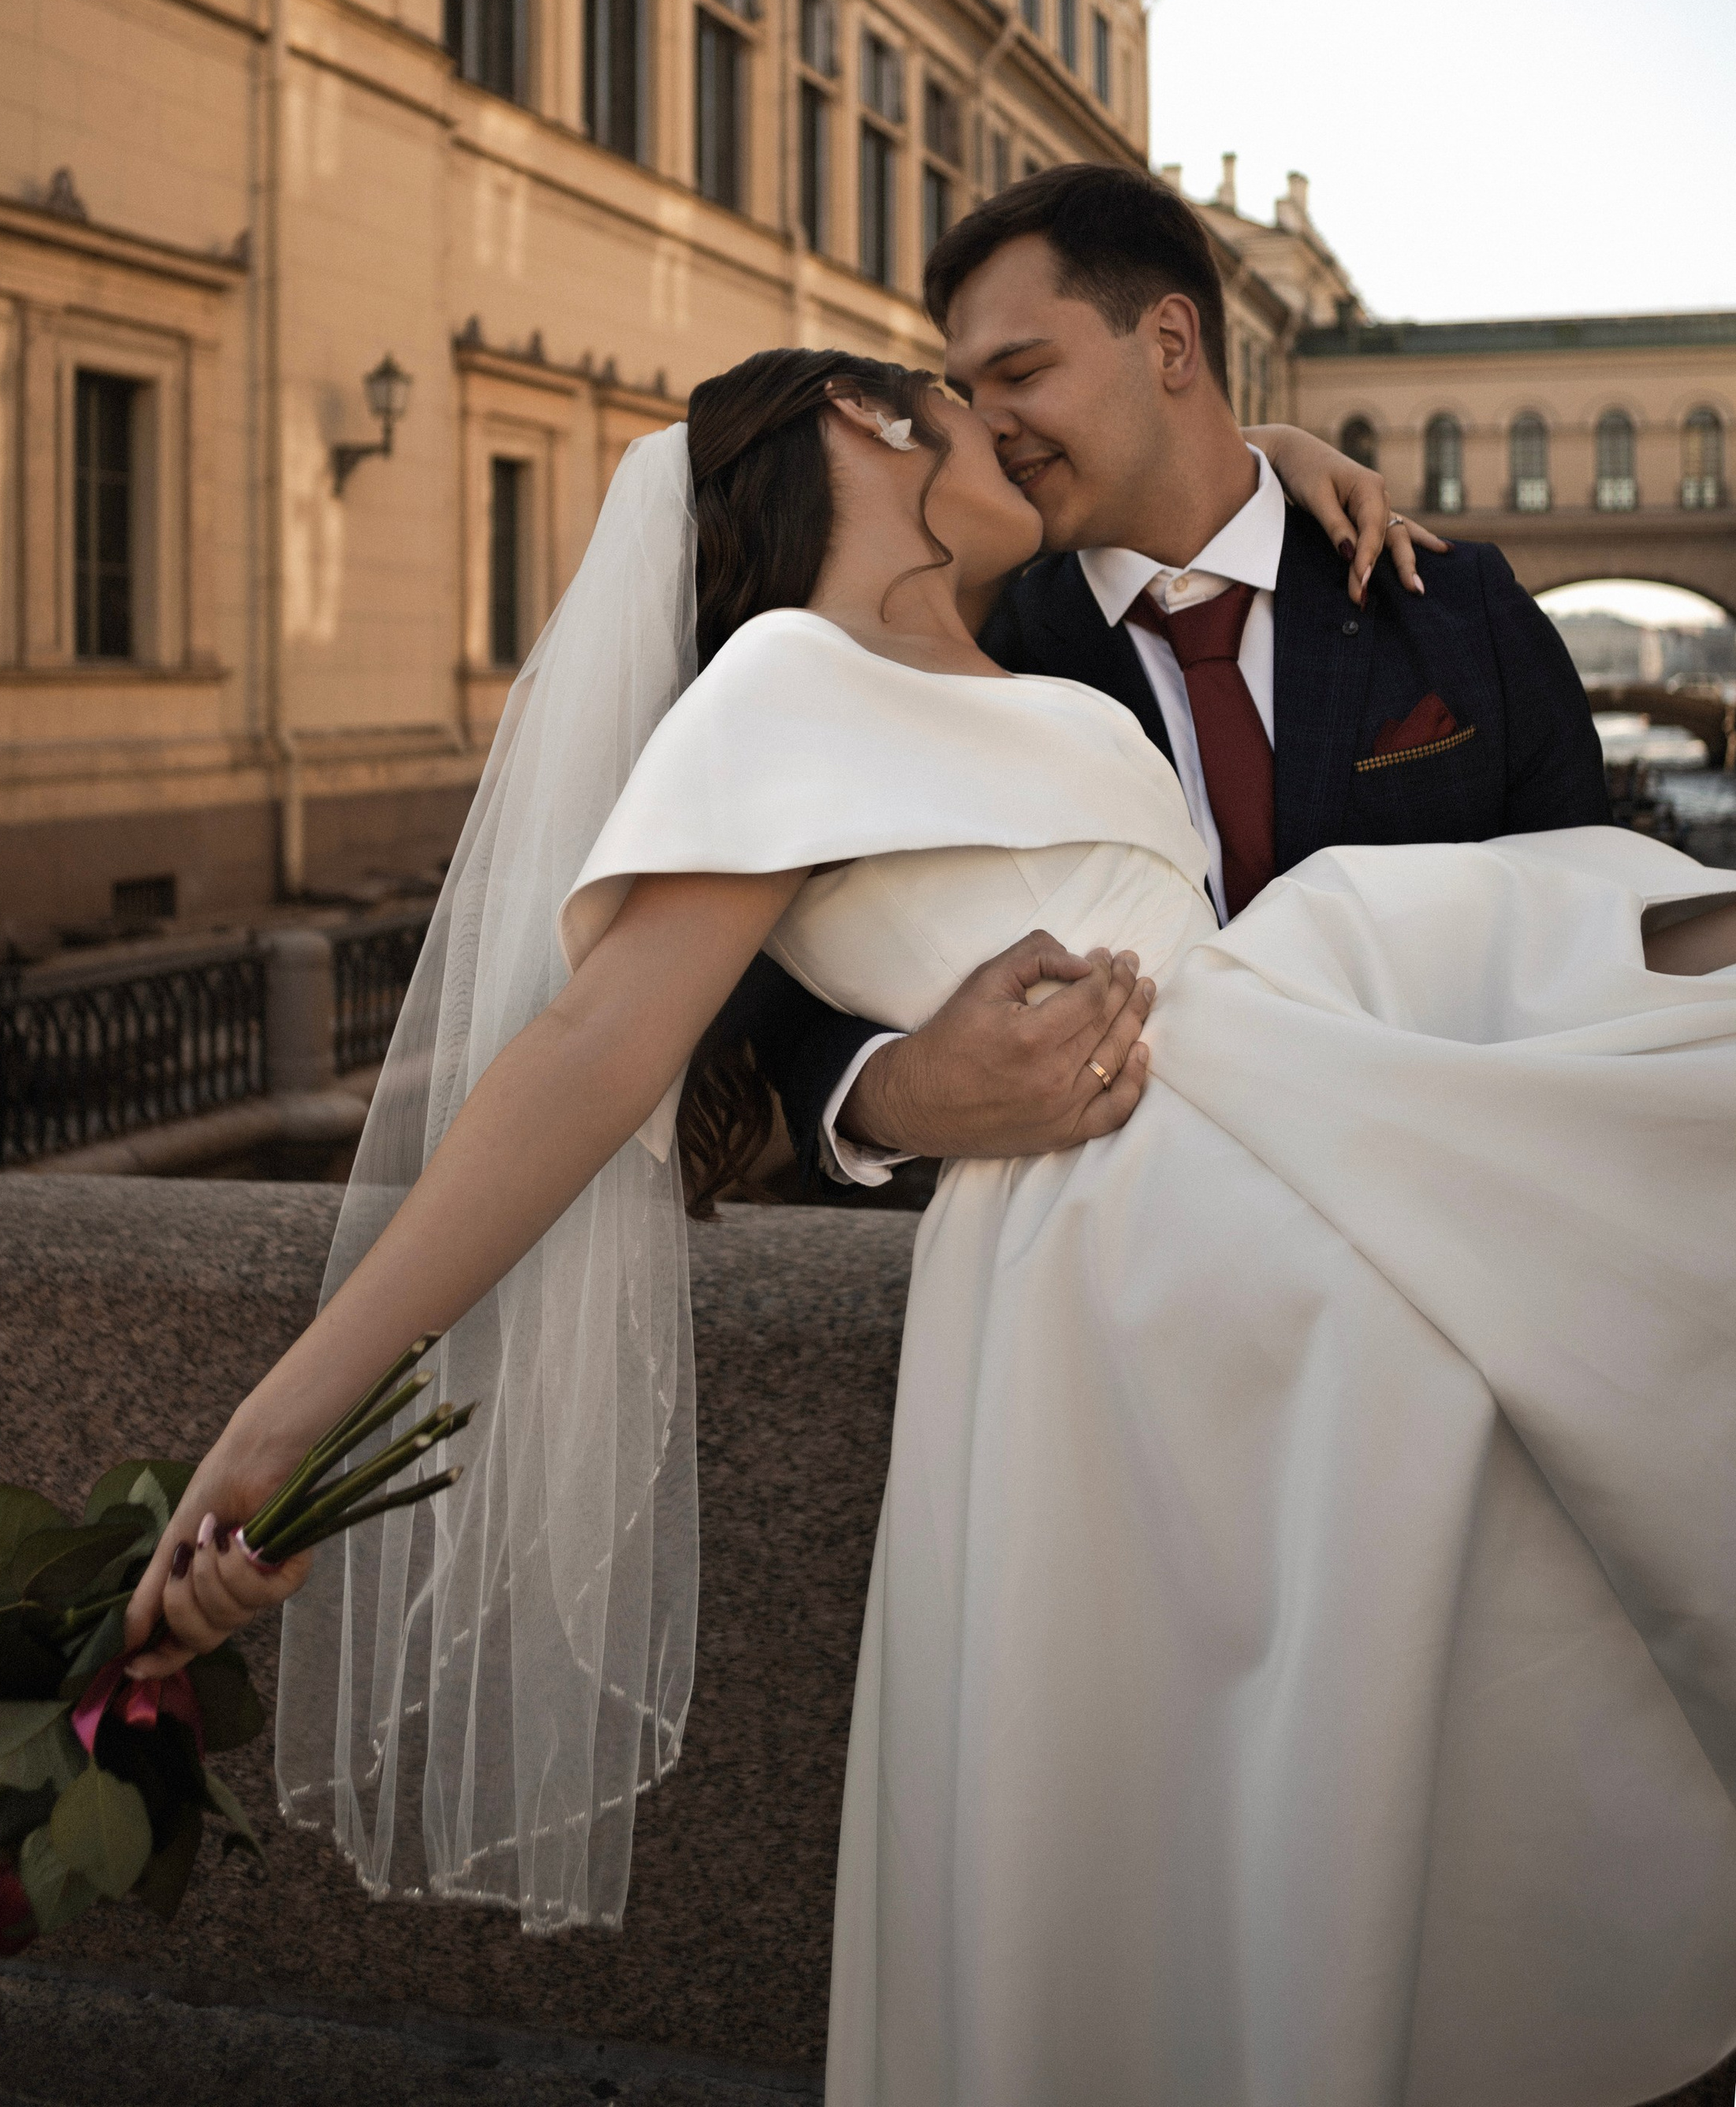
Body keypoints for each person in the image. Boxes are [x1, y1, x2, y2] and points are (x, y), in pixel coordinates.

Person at [124, 354, 1736, 2107]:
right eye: (976, 408)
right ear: (864, 433)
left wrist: (1277, 446)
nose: (1017, 441)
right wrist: (283, 1428)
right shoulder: (777, 685)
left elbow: (1170, 484)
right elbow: (592, 1055)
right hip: (1144, 1269)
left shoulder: (989, 651)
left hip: (1278, 1159)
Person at [732, 162, 1609, 1200]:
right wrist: (896, 1095)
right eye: (966, 392)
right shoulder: (974, 657)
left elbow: (1598, 923)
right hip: (1116, 1279)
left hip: (1479, 1209)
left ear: (1172, 343)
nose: (987, 421)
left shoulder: (1458, 610)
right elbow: (782, 1015)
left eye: (1020, 370)